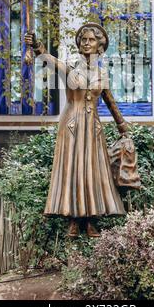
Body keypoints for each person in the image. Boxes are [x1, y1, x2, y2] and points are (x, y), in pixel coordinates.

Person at [25, 22, 130, 238]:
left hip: (93, 127)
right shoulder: (70, 69)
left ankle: (91, 220)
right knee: (73, 170)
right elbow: (49, 60)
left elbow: (110, 102)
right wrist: (36, 45)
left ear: (100, 46)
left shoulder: (102, 75)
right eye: (84, 40)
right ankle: (73, 220)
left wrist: (122, 127)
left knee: (93, 172)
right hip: (72, 125)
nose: (87, 43)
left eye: (91, 40)